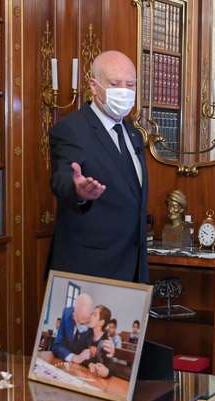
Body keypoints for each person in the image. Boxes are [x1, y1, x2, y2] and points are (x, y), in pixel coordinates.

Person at [47, 50, 149, 283]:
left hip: (132, 269)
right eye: (115, 84)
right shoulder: (72, 129)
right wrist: (78, 190)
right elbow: (61, 177)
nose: (124, 91)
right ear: (94, 86)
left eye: (130, 85)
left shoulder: (133, 133)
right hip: (90, 270)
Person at [52, 293, 97, 363]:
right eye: (80, 321)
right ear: (74, 314)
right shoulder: (67, 314)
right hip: (62, 360)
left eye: (85, 321)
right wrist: (73, 357)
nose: (81, 326)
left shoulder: (93, 322)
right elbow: (56, 345)